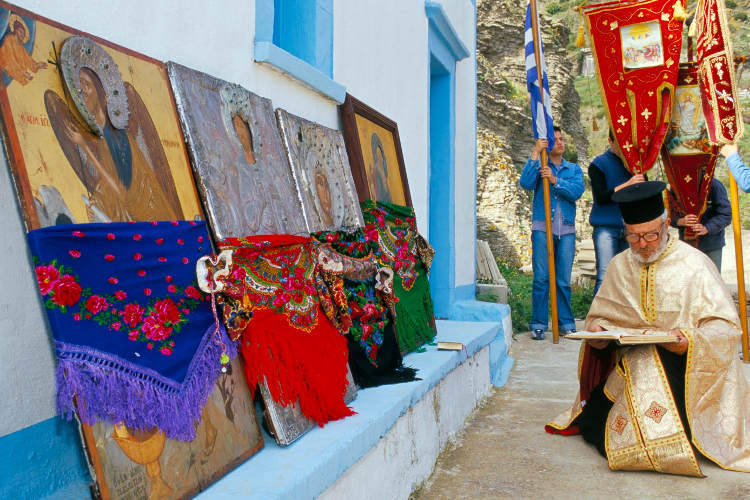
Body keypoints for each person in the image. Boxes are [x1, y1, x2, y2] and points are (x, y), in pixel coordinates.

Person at [546, 181, 750, 476]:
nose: (642, 244)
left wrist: (689, 340)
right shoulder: (619, 265)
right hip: (630, 365)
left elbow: (726, 327)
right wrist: (598, 332)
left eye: (651, 235)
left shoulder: (696, 265)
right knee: (593, 426)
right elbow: (598, 317)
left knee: (667, 427)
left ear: (667, 225)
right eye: (633, 237)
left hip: (683, 370)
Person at [520, 126, 584, 340]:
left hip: (566, 231)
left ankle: (565, 322)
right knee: (541, 279)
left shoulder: (573, 169)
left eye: (561, 138)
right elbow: (526, 183)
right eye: (555, 139)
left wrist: (555, 181)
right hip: (542, 228)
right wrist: (536, 153)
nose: (560, 142)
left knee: (563, 280)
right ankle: (538, 323)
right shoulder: (541, 166)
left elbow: (576, 192)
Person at [588, 129, 645, 294]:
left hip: (630, 227)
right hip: (606, 227)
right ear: (610, 141)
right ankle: (598, 317)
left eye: (627, 142)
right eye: (620, 142)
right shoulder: (598, 164)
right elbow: (601, 197)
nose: (624, 147)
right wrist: (628, 184)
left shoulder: (634, 164)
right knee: (605, 275)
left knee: (627, 276)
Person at [670, 177, 731, 271]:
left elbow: (726, 215)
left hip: (711, 245)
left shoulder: (714, 185)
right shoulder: (676, 186)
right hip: (686, 246)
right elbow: (669, 215)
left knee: (712, 280)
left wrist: (707, 228)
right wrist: (679, 221)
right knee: (689, 280)